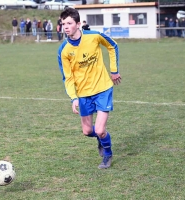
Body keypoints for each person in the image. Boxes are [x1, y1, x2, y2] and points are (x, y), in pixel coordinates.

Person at [57, 8, 121, 169]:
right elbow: (68, 77)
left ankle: (107, 154)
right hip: (84, 94)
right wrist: (73, 97)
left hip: (103, 88)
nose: (66, 26)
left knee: (99, 129)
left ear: (78, 24)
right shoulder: (63, 51)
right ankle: (101, 138)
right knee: (87, 131)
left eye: (69, 23)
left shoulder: (94, 36)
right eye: (63, 23)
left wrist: (114, 71)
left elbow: (113, 46)